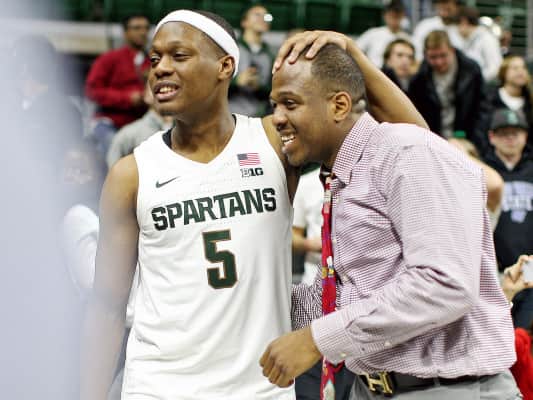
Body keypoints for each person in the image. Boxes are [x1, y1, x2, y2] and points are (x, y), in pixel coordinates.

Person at [80, 10, 426, 400]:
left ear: (225, 66)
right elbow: (106, 306)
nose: (160, 68)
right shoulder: (132, 173)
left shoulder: (274, 141)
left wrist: (354, 56)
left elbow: (414, 145)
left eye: (179, 55)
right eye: (155, 58)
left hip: (261, 388)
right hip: (158, 387)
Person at [260, 35, 519, 399]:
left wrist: (317, 339)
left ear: (339, 105)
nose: (277, 119)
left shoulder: (408, 152)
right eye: (274, 105)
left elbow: (443, 283)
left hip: (448, 388)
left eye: (290, 103)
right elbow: (337, 299)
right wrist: (248, 295)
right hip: (372, 387)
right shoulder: (345, 173)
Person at [408, 30, 490, 152]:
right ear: (425, 55)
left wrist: (477, 140)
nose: (439, 62)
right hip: (432, 140)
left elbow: (483, 108)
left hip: (467, 139)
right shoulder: (420, 77)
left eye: (443, 56)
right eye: (433, 57)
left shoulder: (471, 70)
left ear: (452, 50)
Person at [85, 14, 151, 157]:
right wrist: (127, 98)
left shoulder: (153, 62)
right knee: (113, 146)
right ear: (125, 32)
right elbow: (92, 90)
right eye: (137, 28)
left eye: (146, 28)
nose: (143, 32)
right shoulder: (109, 59)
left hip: (141, 124)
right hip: (110, 122)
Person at [483, 108, 533, 272]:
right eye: (503, 133)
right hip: (494, 267)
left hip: (530, 265)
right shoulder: (484, 172)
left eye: (515, 133)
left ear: (525, 136)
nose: (510, 138)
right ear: (491, 137)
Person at [106, 84, 174, 168]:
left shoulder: (186, 131)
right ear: (146, 96)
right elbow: (113, 168)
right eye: (158, 87)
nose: (165, 92)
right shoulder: (129, 134)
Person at [229, 4, 274, 116]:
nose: (262, 19)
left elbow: (273, 91)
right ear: (244, 22)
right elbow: (213, 84)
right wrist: (236, 82)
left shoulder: (270, 55)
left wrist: (259, 87)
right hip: (228, 114)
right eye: (257, 15)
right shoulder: (231, 48)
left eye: (266, 16)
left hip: (258, 117)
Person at [489, 55, 533, 146]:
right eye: (515, 68)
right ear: (504, 72)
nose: (520, 72)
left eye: (523, 68)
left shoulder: (530, 101)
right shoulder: (490, 98)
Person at [356, 0, 411, 68]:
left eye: (397, 15)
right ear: (385, 15)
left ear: (402, 16)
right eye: (391, 15)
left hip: (395, 73)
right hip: (371, 70)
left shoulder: (407, 39)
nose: (394, 18)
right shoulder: (373, 33)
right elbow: (354, 50)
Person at [457, 6, 502, 82]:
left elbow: (495, 68)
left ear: (463, 21)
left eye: (457, 24)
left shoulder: (487, 39)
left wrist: (475, 81)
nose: (456, 29)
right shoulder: (468, 40)